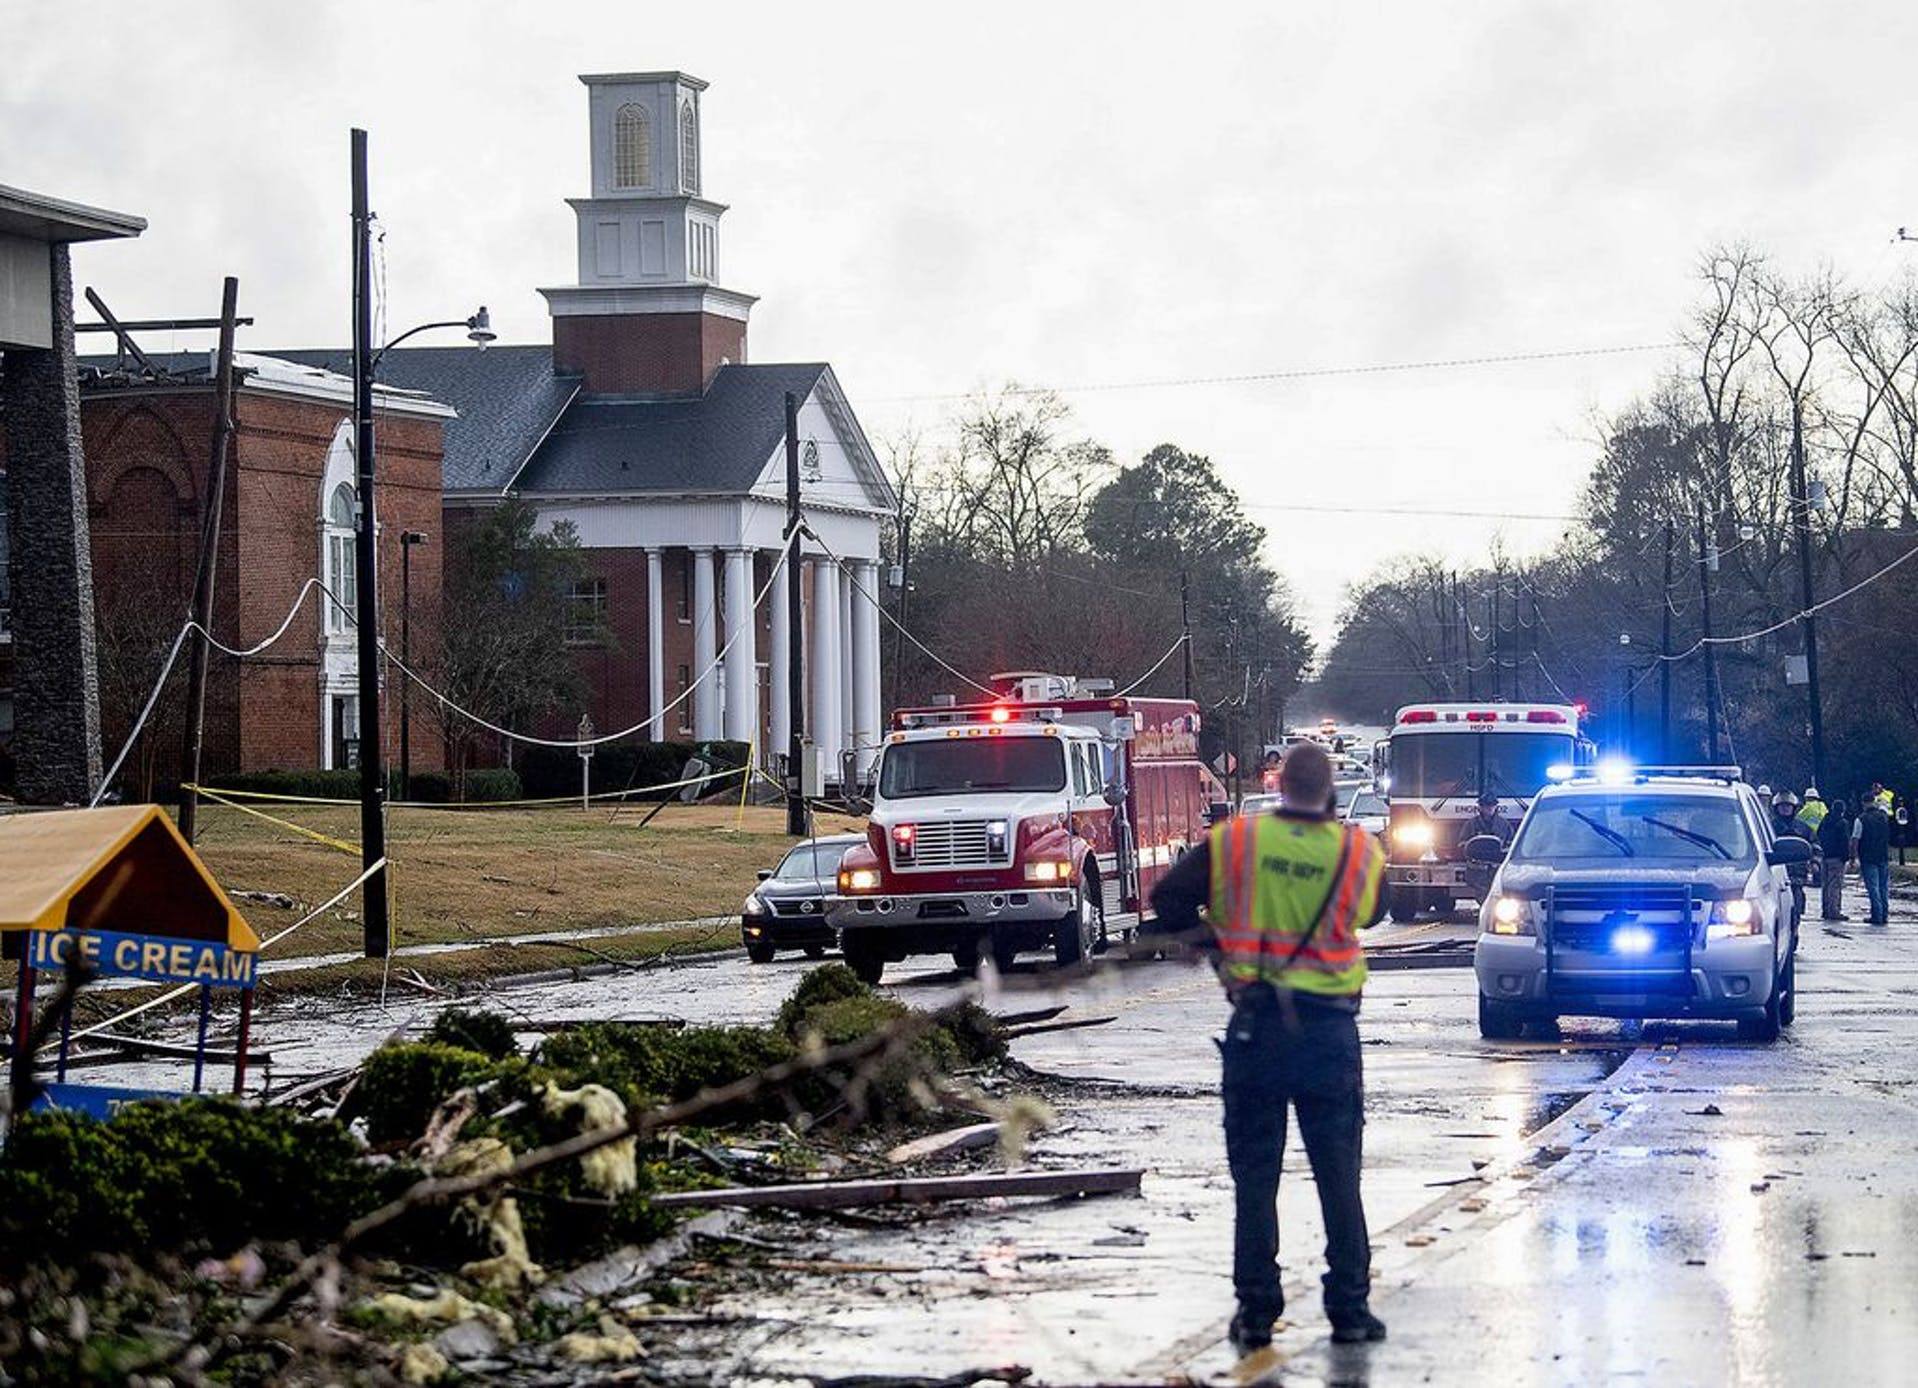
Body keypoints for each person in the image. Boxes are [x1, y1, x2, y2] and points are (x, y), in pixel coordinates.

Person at [1147, 742, 1389, 1354]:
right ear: (1329, 791)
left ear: (1279, 787)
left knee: (1256, 1177)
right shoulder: (1358, 850)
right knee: (1340, 1174)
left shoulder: (1235, 844)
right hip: (1330, 1034)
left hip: (1257, 1030)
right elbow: (1374, 912)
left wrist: (1218, 949)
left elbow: (1167, 900)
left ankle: (1256, 1311)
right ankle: (1351, 1309)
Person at [1770, 791, 1811, 925]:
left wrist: (1815, 862)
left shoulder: (1803, 828)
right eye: (1782, 806)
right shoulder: (1769, 827)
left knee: (1796, 910)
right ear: (1776, 808)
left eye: (1788, 806)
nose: (1785, 809)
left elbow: (1815, 845)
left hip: (1797, 877)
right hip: (1775, 876)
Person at [1853, 795, 1894, 926]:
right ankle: (1884, 915)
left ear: (1864, 803)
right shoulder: (1883, 817)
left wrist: (1853, 857)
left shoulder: (1861, 819)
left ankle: (1877, 915)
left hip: (1868, 857)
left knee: (1873, 888)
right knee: (1883, 887)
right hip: (1883, 856)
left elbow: (1855, 839)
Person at [1817, 797, 1850, 922]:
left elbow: (1819, 834)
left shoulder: (1825, 821)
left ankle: (1825, 910)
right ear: (1843, 810)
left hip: (1825, 856)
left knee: (1825, 885)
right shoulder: (1842, 823)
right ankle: (1834, 911)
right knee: (1835, 886)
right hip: (1837, 858)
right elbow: (1844, 841)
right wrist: (1846, 857)